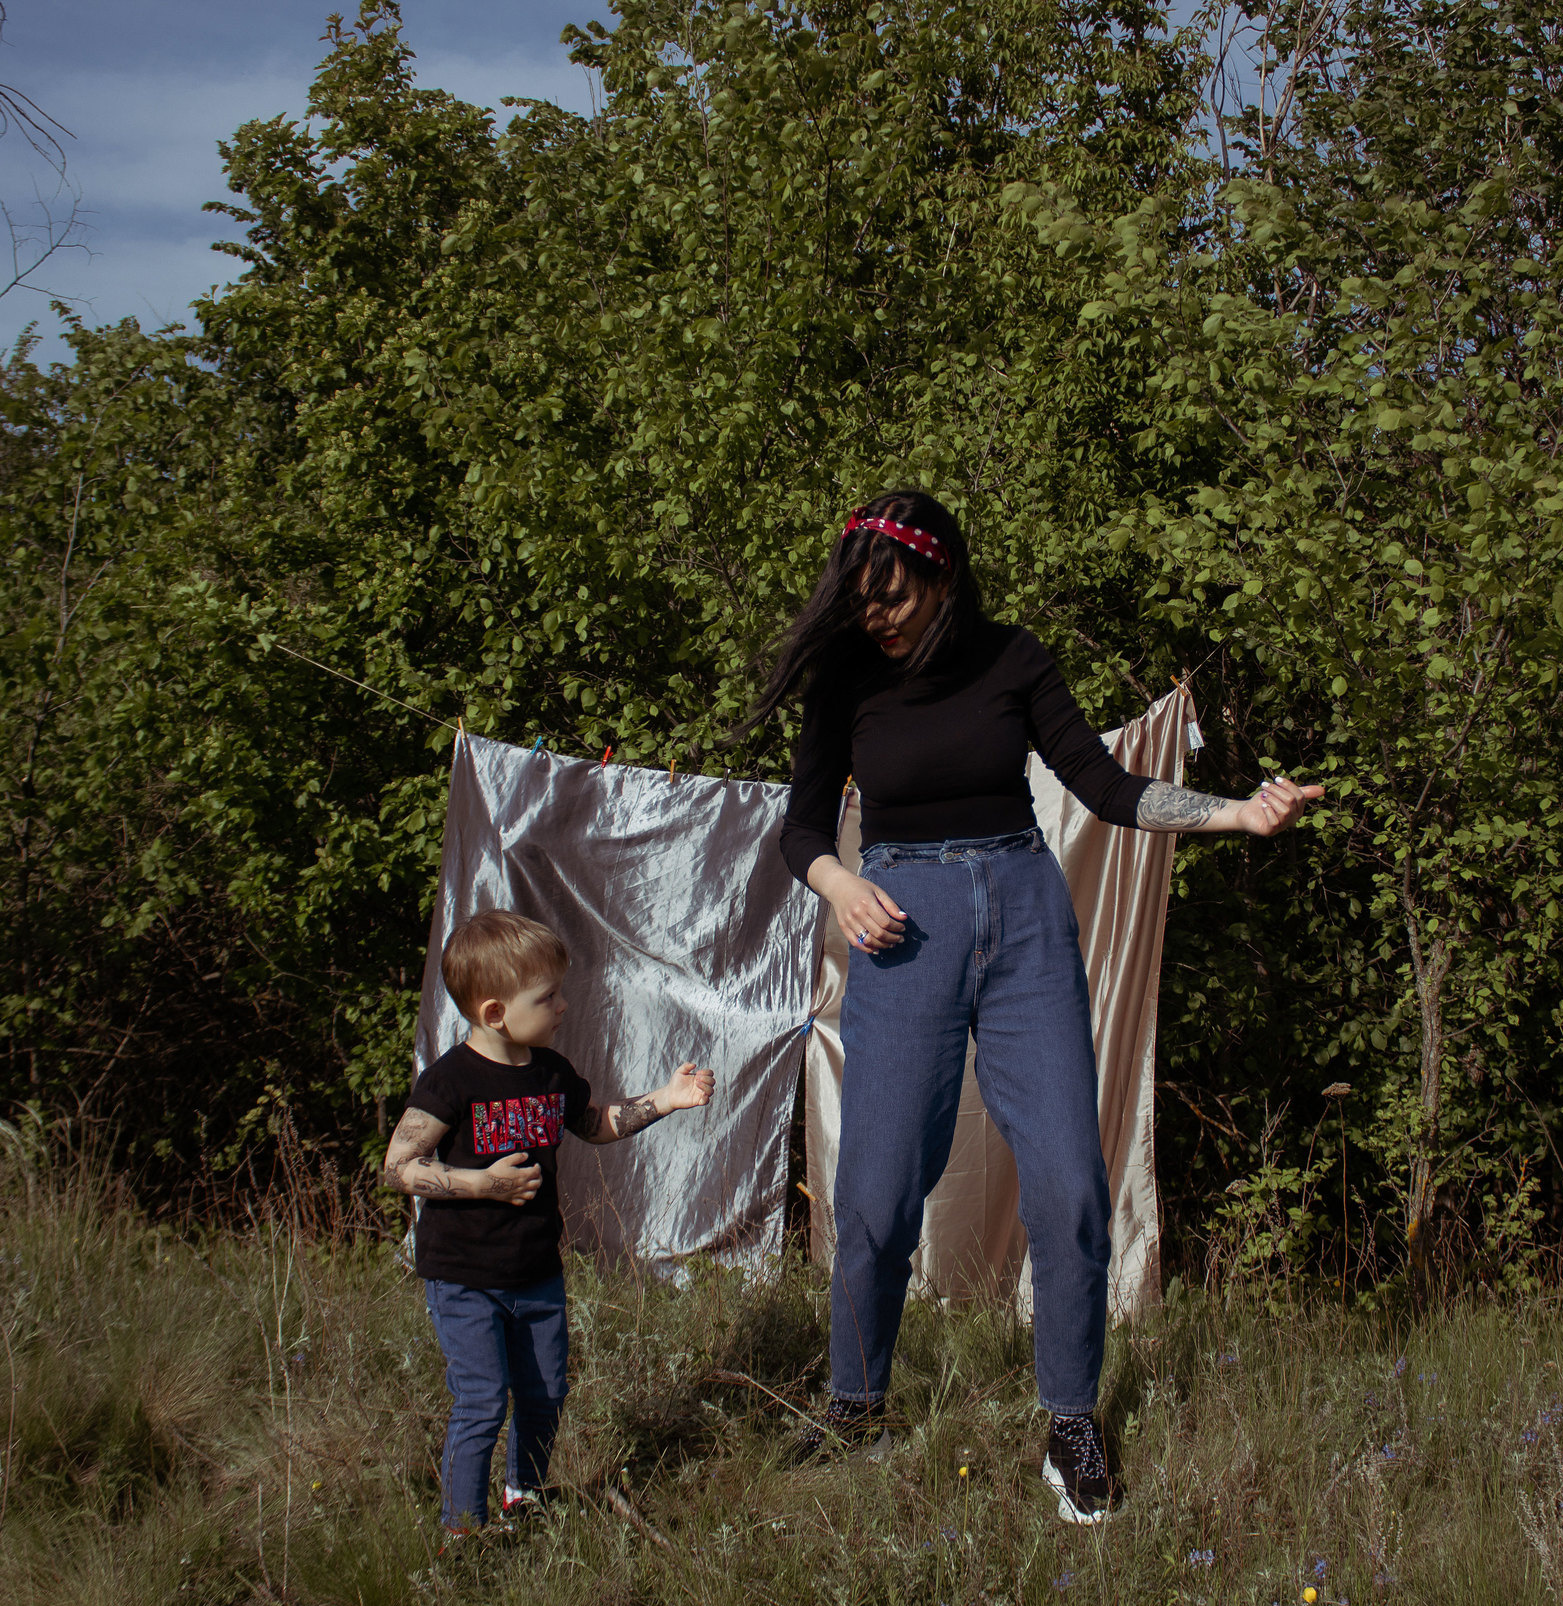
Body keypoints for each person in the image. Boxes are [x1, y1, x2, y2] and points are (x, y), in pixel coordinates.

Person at [747, 489, 1321, 1525]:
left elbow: (1105, 786)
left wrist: (1238, 813)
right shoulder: (847, 676)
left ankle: (1070, 1420)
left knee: (1069, 1187)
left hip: (1024, 922)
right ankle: (857, 1405)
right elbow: (801, 829)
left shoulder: (1012, 657)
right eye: (861, 598)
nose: (876, 616)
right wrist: (839, 886)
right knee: (876, 1192)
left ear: (943, 578)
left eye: (893, 596)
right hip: (900, 924)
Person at [383, 909, 715, 1533]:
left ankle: (525, 1499)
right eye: (548, 997)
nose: (563, 1006)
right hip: (464, 1277)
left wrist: (667, 1099)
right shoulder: (450, 1081)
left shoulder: (551, 1073)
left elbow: (596, 1125)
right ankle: (463, 1531)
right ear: (495, 1012)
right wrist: (481, 1184)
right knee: (482, 1401)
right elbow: (398, 1166)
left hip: (536, 1272)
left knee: (544, 1394)